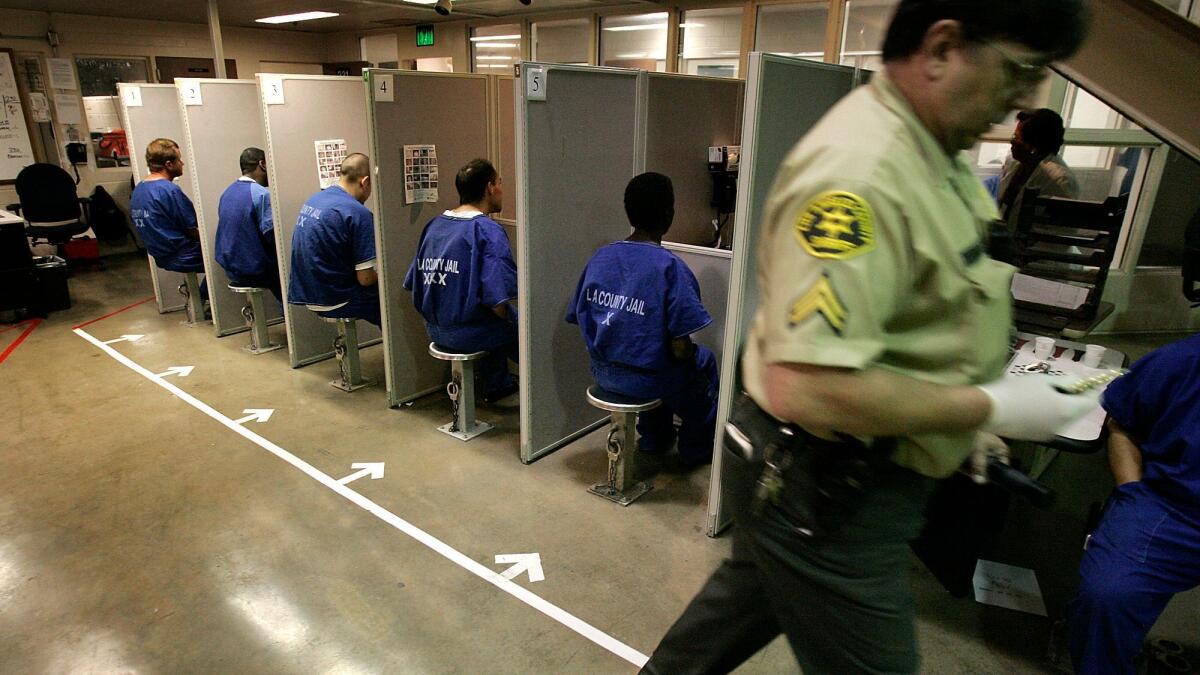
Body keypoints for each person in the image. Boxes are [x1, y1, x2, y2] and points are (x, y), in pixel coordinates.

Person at [640, 2, 1093, 673]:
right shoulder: (860, 173)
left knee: (723, 625)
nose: (1026, 96)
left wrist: (965, 418)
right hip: (826, 487)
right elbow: (812, 388)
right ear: (942, 47)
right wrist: (990, 406)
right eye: (1020, 69)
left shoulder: (935, 155)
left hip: (822, 478)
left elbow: (924, 311)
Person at [1067, 334, 1200, 675]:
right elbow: (1122, 426)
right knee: (1107, 594)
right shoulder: (1180, 361)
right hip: (1172, 508)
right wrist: (1132, 492)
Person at [565, 172, 718, 468]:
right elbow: (680, 349)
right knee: (701, 363)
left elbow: (580, 317)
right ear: (668, 214)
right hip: (647, 381)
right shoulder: (671, 268)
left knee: (650, 356)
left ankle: (652, 439)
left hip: (602, 372)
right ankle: (695, 451)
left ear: (629, 212)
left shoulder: (600, 258)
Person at [404, 159, 518, 402]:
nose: (501, 188)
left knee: (486, 312)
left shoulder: (434, 226)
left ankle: (497, 385)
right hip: (467, 334)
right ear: (489, 188)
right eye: (500, 183)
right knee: (519, 324)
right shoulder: (487, 231)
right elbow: (497, 301)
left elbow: (413, 282)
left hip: (434, 329)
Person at [288, 153, 380, 326]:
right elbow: (365, 279)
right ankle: (399, 353)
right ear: (365, 182)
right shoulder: (358, 213)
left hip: (307, 291)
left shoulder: (314, 200)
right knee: (392, 299)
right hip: (335, 298)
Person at [130, 138, 206, 298]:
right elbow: (193, 229)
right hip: (183, 254)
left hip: (160, 255)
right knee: (228, 255)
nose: (183, 163)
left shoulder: (139, 190)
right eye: (179, 159)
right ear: (169, 164)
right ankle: (207, 300)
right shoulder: (169, 191)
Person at [215, 147, 280, 301]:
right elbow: (271, 236)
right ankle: (292, 318)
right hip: (253, 268)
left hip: (230, 266)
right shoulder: (261, 193)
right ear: (262, 164)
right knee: (288, 268)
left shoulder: (228, 192)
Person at [997, 107, 1080, 228]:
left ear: (1033, 147)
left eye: (1016, 138)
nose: (1011, 142)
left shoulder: (1061, 181)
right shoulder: (1014, 162)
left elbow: (1055, 233)